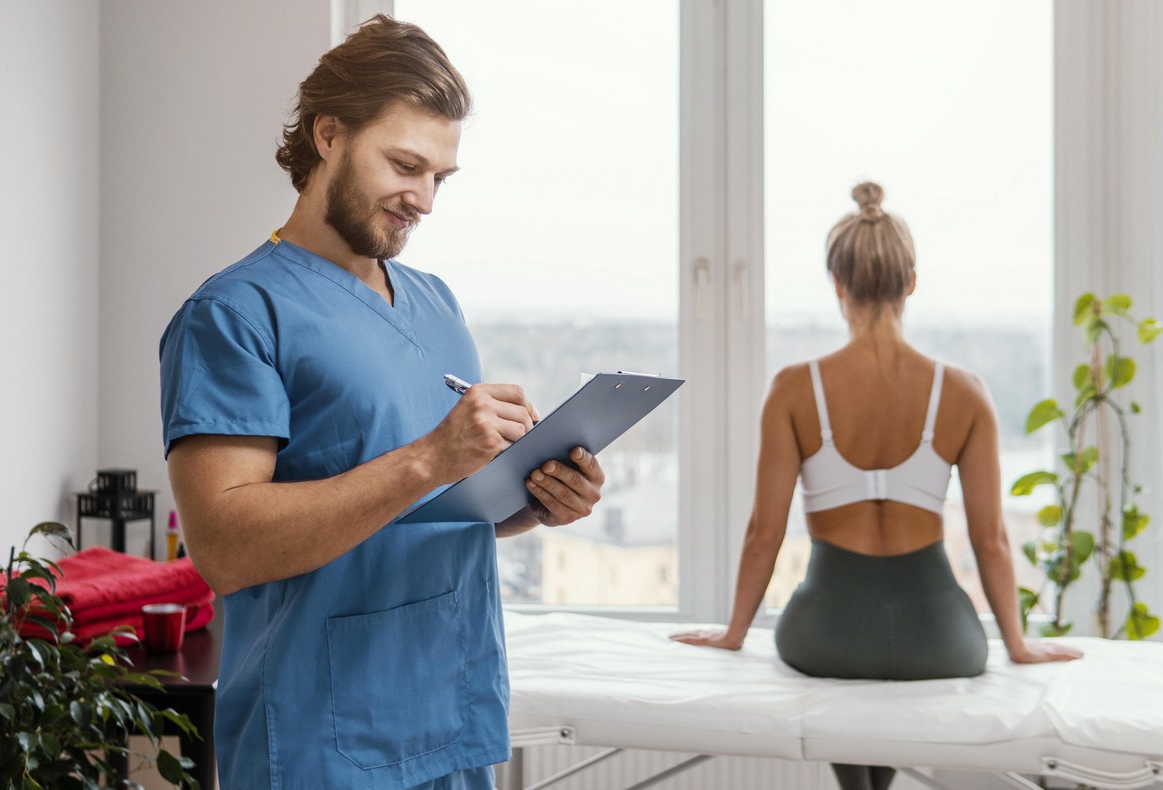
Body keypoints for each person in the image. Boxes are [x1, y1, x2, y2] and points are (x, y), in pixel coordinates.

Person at [159, 16, 604, 790]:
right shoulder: (234, 314)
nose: (424, 199)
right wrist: (431, 453)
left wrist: (533, 501)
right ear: (329, 134)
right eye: (405, 165)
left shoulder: (434, 303)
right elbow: (224, 548)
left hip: (450, 713)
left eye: (441, 177)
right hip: (317, 736)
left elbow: (425, 512)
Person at [671, 182, 1081, 790]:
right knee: (897, 678)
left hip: (824, 633)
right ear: (911, 282)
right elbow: (991, 539)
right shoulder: (964, 393)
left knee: (850, 675)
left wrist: (734, 632)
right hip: (939, 638)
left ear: (837, 284)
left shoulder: (794, 389)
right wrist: (1017, 644)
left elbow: (765, 531)